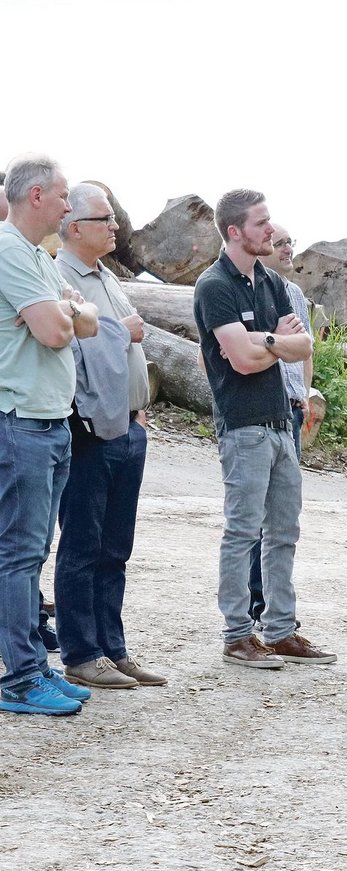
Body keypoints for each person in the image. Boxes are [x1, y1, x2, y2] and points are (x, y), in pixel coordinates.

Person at [194, 188, 334, 669]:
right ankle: (237, 635)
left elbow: (303, 349)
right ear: (235, 231)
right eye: (260, 223)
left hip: (282, 422)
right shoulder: (214, 286)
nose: (270, 230)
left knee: (284, 532)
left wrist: (265, 341)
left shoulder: (270, 283)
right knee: (243, 532)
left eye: (269, 221)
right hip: (244, 425)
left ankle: (279, 630)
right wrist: (275, 342)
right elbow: (244, 360)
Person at [52, 183, 165, 688]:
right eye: (105, 219)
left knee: (116, 547)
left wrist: (139, 416)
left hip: (127, 427)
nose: (116, 226)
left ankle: (112, 649)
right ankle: (80, 653)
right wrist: (124, 330)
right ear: (75, 227)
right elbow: (75, 354)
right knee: (82, 543)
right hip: (89, 431)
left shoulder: (106, 277)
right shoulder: (59, 278)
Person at [0, 154, 100, 715]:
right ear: (36, 195)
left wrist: (63, 313)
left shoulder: (40, 256)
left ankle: (33, 664)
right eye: (63, 196)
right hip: (19, 422)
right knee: (16, 555)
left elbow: (84, 323)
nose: (69, 205)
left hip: (49, 420)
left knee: (32, 551)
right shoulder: (8, 250)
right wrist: (64, 314)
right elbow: (59, 330)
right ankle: (18, 678)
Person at [246, 223, 313, 624]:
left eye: (290, 242)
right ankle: (256, 604)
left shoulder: (296, 295)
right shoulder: (249, 291)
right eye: (280, 242)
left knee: (285, 517)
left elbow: (305, 352)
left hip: (292, 408)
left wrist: (305, 394)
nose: (287, 248)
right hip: (259, 411)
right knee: (255, 516)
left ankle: (276, 608)